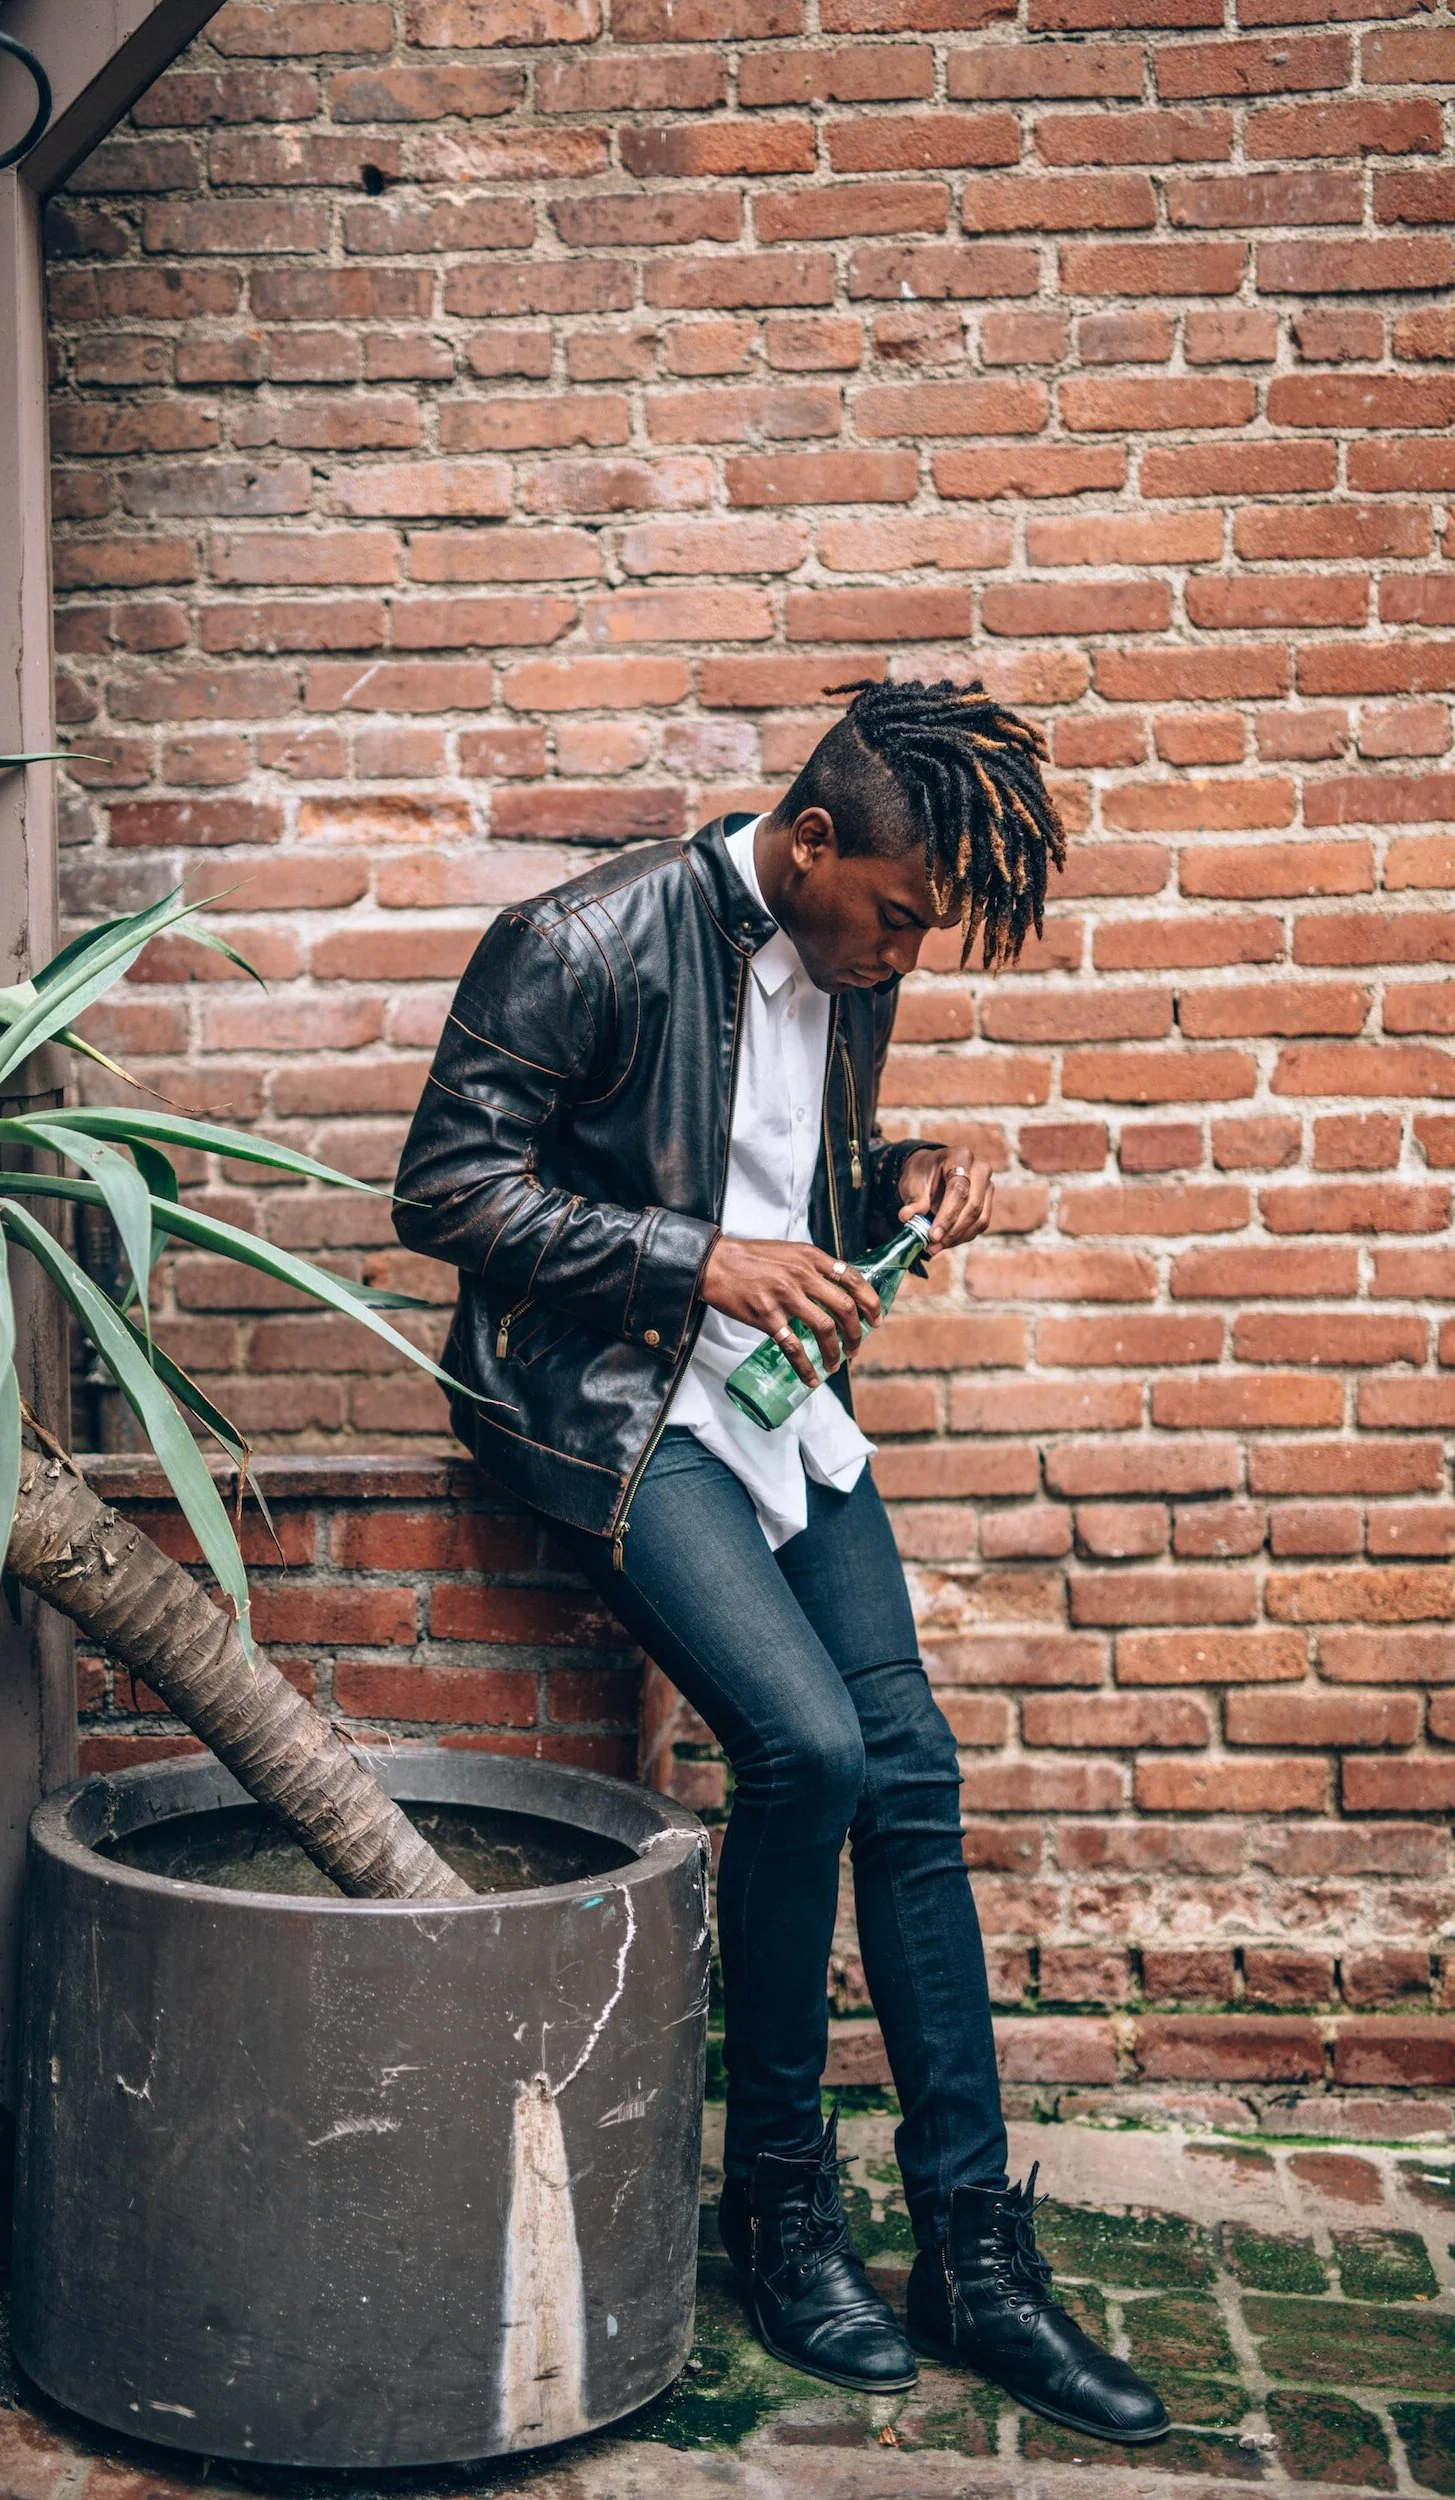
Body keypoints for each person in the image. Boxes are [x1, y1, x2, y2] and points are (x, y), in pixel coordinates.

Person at [393, 675, 1168, 2446]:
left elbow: (774, 1171)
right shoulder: (576, 944)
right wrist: (696, 1264)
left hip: (769, 1402)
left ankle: (973, 2249)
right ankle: (780, 2200)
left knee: (908, 1774)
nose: (902, 955)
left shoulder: (843, 965)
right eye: (895, 916)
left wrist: (900, 1176)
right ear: (810, 844)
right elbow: (446, 1193)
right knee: (805, 1751)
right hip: (602, 1404)